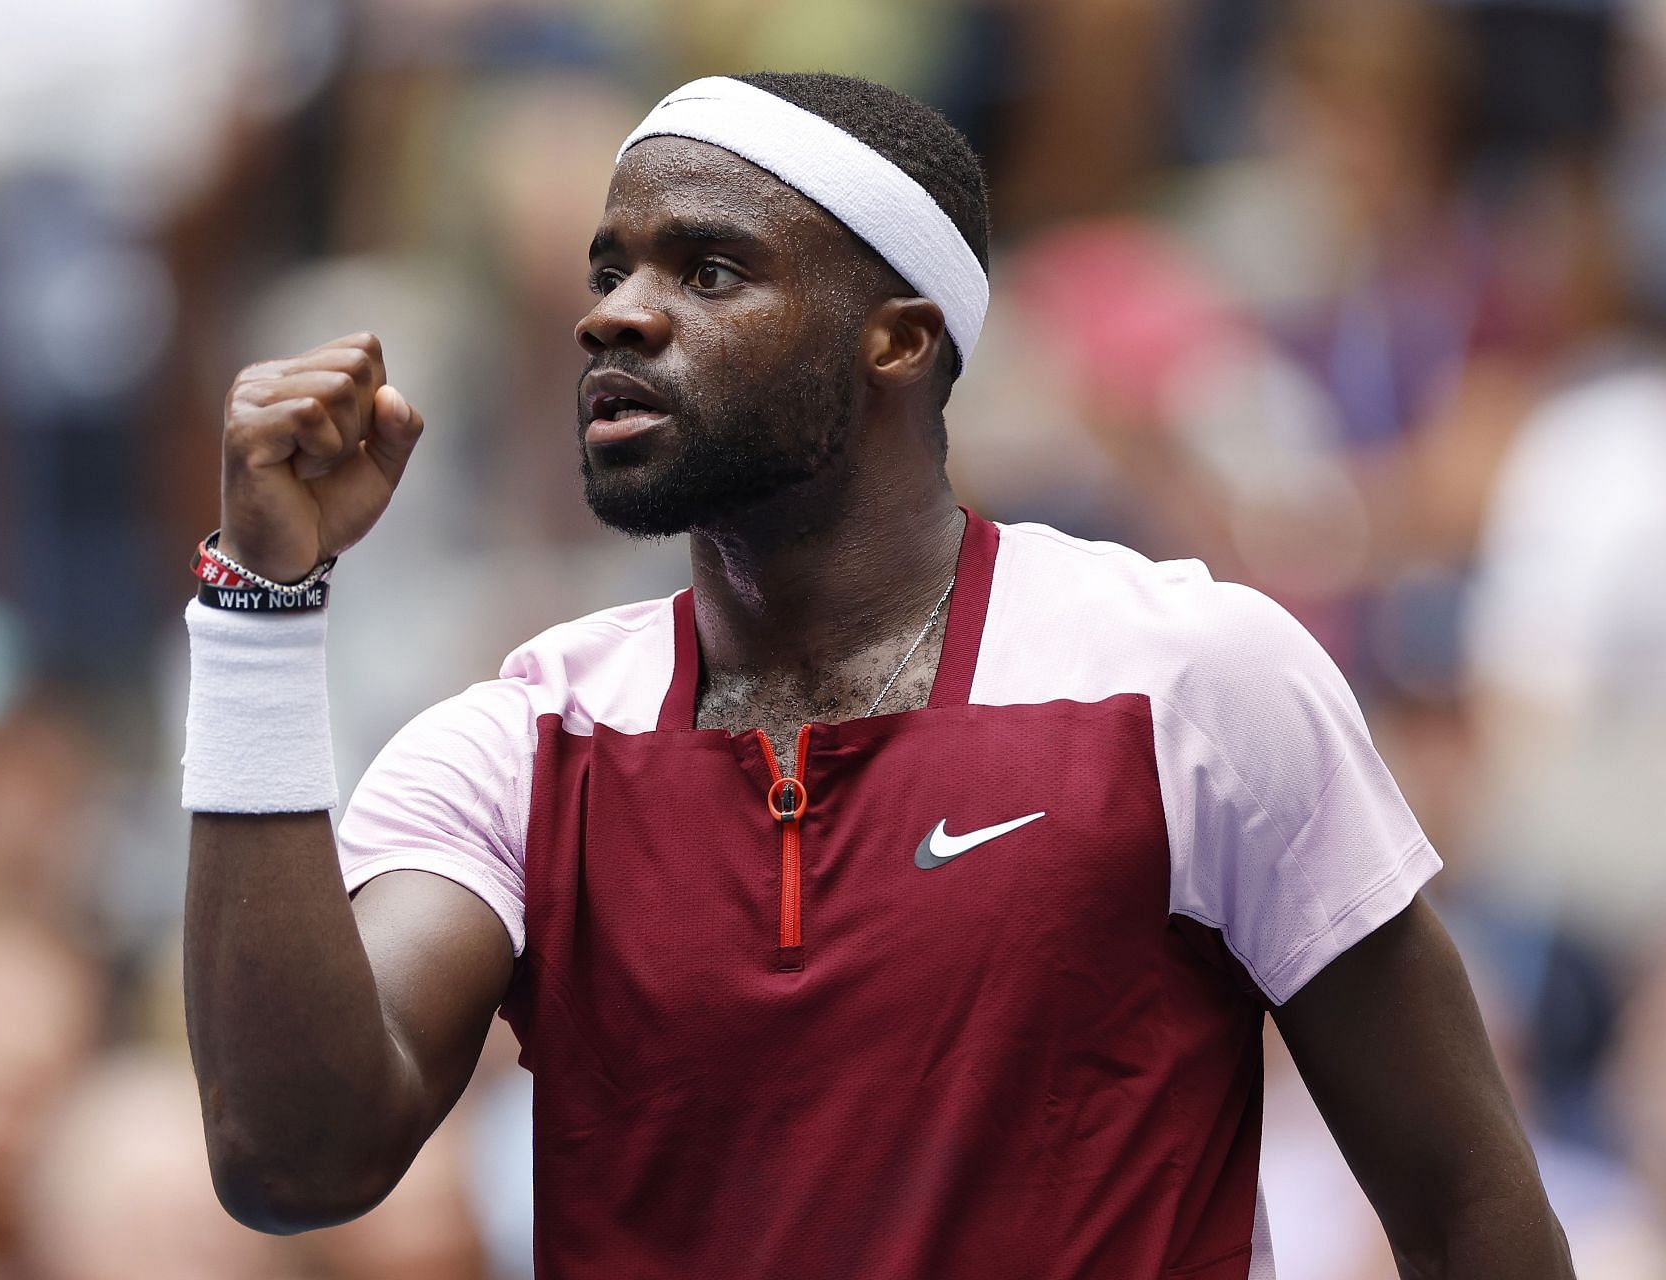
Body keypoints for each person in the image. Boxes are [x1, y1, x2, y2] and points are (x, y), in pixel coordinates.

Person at [180, 72, 1572, 1278]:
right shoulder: (521, 739)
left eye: (707, 271)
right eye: (612, 271)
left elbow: (1466, 1208)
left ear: (900, 339)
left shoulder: (1193, 677)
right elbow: (293, 1159)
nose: (617, 317)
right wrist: (259, 607)